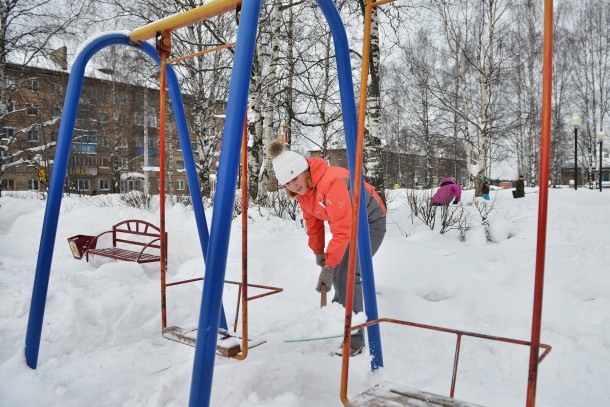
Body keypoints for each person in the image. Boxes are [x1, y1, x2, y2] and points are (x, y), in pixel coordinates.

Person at [267, 140, 386, 357]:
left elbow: (342, 230)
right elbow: (313, 223)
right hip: (348, 226)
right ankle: (337, 323)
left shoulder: (333, 181)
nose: (293, 186)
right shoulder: (304, 193)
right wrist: (319, 253)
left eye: (294, 178)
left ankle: (355, 339)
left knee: (349, 273)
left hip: (369, 223)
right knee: (340, 271)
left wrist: (329, 267)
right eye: (287, 183)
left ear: (305, 171)